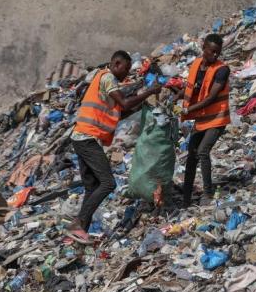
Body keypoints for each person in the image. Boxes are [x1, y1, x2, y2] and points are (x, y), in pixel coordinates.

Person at [67, 51, 161, 244]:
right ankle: (78, 224)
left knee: (92, 186)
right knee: (108, 183)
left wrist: (140, 104)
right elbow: (125, 102)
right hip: (87, 138)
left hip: (80, 136)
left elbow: (121, 110)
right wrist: (149, 91)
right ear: (116, 63)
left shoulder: (102, 77)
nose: (126, 74)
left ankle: (79, 232)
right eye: (125, 69)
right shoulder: (108, 78)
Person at [180, 33, 230, 207]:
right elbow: (191, 89)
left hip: (217, 119)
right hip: (201, 119)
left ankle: (207, 194)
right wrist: (175, 97)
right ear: (204, 49)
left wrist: (187, 110)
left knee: (202, 151)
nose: (215, 56)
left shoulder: (222, 69)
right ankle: (186, 198)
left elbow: (210, 98)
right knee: (191, 156)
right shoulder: (195, 66)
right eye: (212, 52)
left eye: (218, 53)